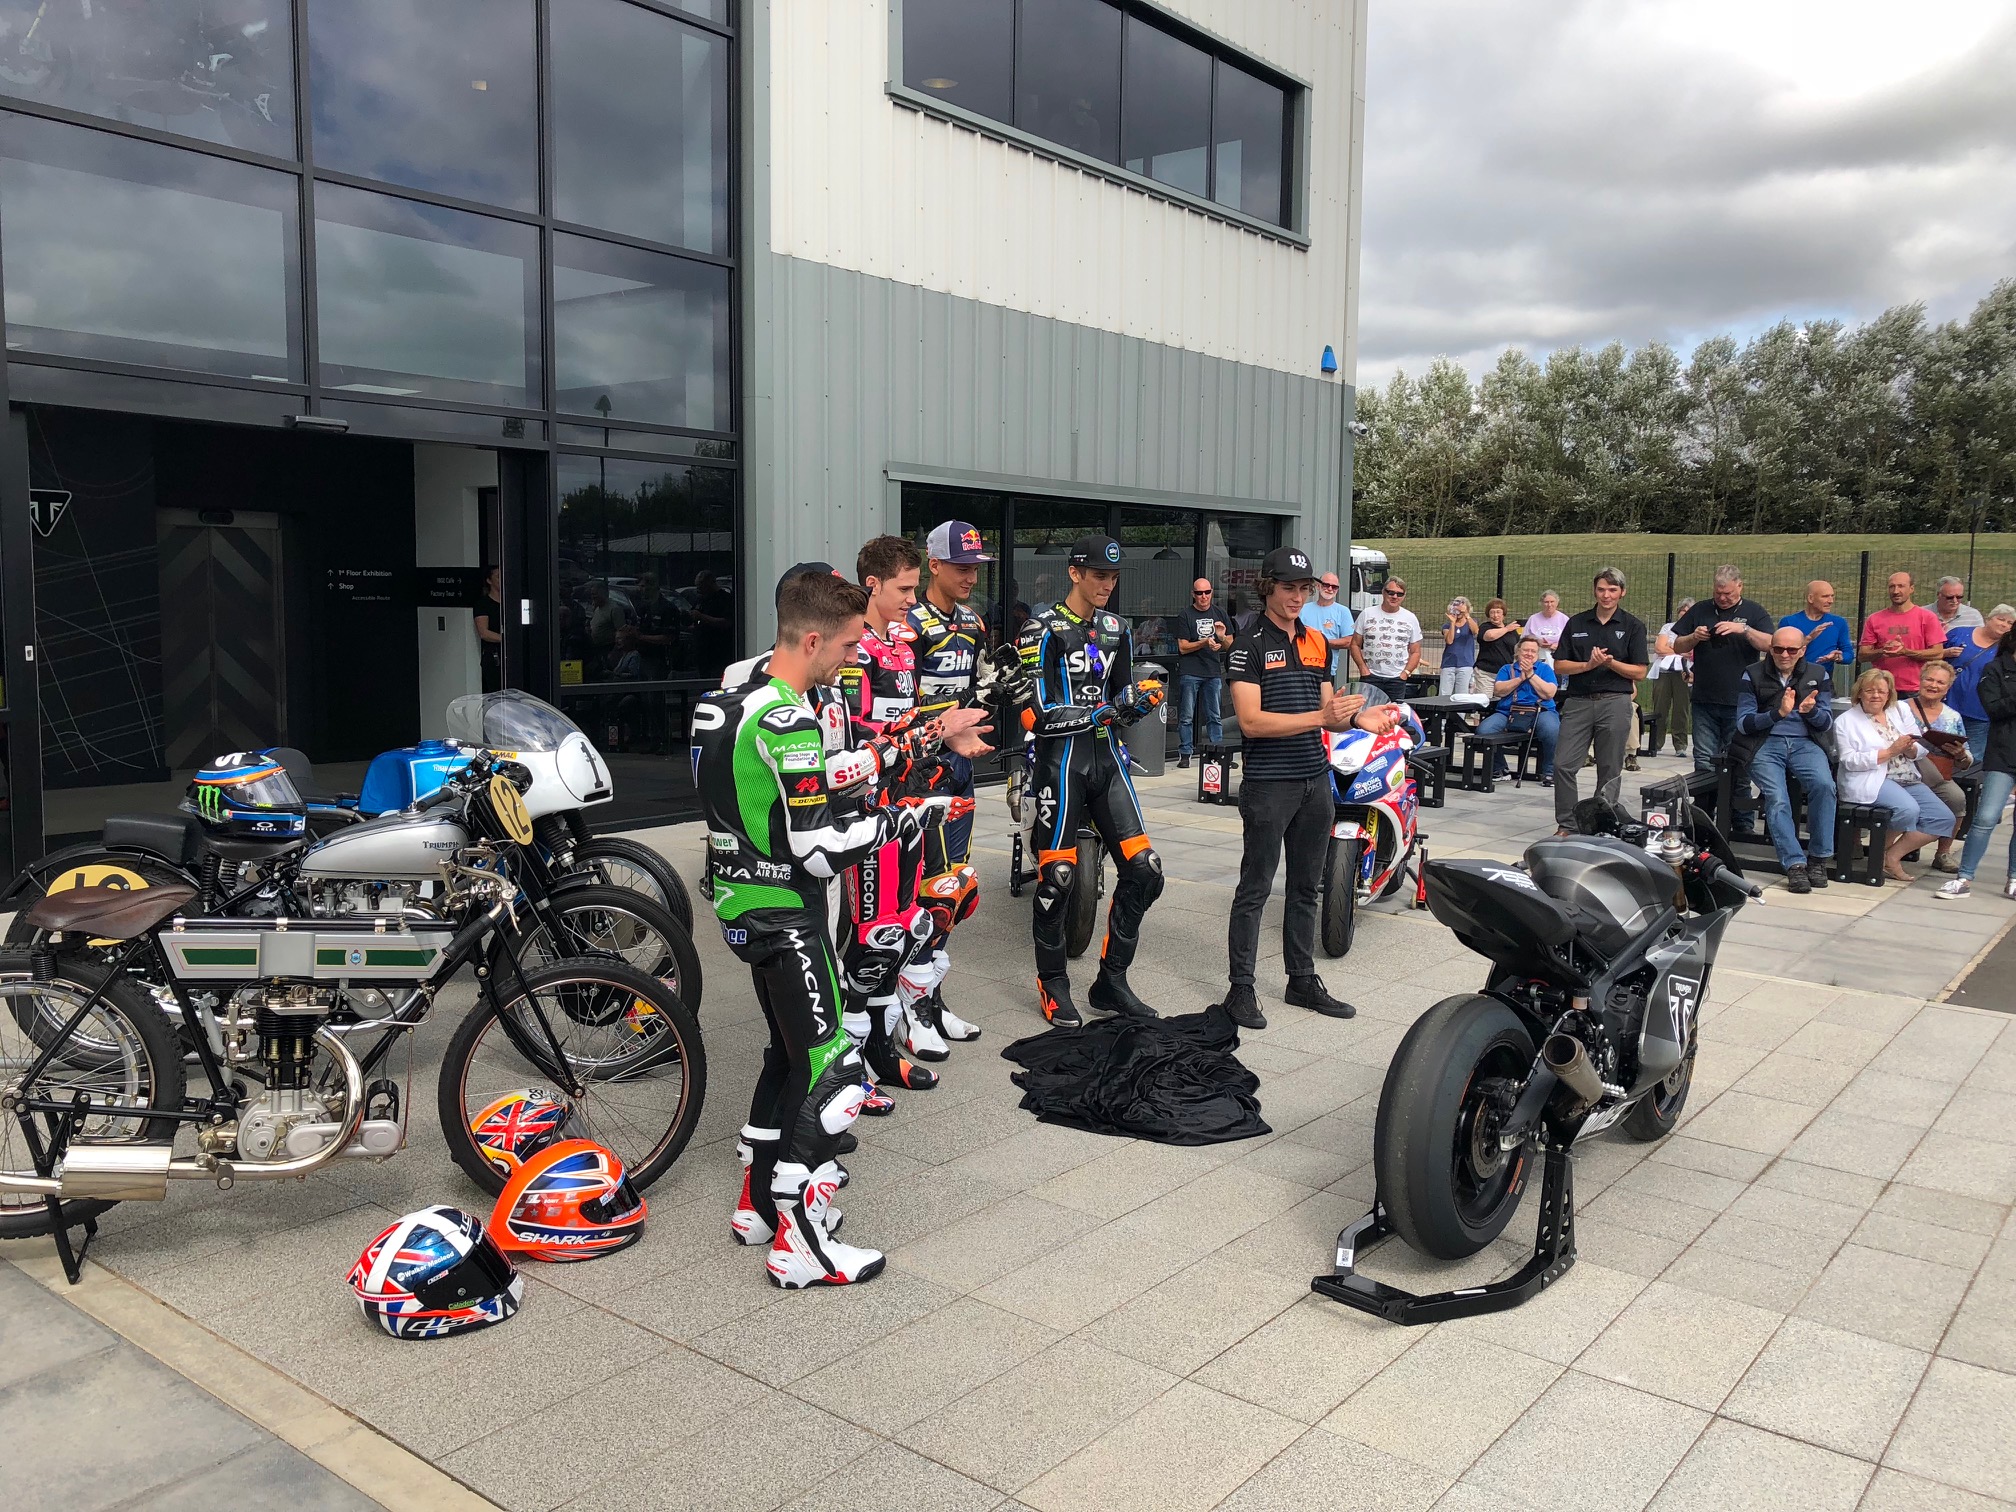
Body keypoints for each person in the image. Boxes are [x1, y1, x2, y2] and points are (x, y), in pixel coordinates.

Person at [692, 570, 935, 1289]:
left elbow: (780, 793)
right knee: (835, 1069)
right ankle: (803, 1240)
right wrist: (900, 822)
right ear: (810, 640)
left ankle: (757, 1206)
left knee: (789, 1054)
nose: (856, 658)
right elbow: (819, 848)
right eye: (849, 644)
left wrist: (892, 756)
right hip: (784, 910)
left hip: (738, 902)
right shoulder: (789, 719)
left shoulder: (724, 701)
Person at [1218, 546, 1388, 1030]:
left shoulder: (1316, 640)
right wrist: (1321, 717)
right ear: (1267, 587)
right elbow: (1251, 723)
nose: (1297, 596)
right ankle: (1240, 988)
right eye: (1288, 587)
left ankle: (1301, 979)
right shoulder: (1246, 644)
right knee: (1255, 888)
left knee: (1306, 888)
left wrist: (1359, 718)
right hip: (1269, 783)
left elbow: (1329, 711)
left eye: (1304, 589)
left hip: (1316, 779)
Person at [837, 536, 986, 1078]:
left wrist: (946, 737)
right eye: (903, 588)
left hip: (909, 793)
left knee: (911, 918)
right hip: (866, 804)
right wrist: (938, 731)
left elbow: (906, 721)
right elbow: (856, 737)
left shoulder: (901, 639)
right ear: (872, 584)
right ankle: (853, 1057)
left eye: (913, 586)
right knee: (870, 932)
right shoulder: (854, 648)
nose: (911, 598)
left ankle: (887, 1037)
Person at [1014, 535, 1168, 1028]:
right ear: (1075, 573)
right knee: (1057, 878)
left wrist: (1140, 701)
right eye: (1099, 575)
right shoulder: (1040, 628)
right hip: (1060, 763)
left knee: (1146, 870)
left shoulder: (1117, 628)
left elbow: (1122, 697)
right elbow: (1036, 714)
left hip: (1109, 761)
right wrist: (1103, 711)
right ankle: (1053, 983)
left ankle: (1111, 981)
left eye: (1113, 577)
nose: (1107, 584)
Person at [909, 518, 998, 1043]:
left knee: (955, 885)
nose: (970, 576)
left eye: (975, 567)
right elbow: (899, 708)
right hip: (920, 769)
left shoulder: (974, 622)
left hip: (961, 765)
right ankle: (912, 1006)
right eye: (961, 566)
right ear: (934, 565)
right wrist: (944, 729)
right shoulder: (909, 625)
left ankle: (933, 998)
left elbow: (973, 693)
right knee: (927, 887)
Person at [1659, 567, 1774, 831]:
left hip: (1741, 701)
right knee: (1704, 763)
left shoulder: (1754, 612)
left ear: (1740, 587)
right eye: (1718, 593)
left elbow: (1769, 643)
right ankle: (1702, 820)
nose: (1722, 598)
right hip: (1705, 698)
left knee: (1739, 763)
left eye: (1728, 594)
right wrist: (1694, 637)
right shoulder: (1701, 609)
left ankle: (1741, 823)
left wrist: (1743, 629)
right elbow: (1677, 645)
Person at [1737, 629, 1837, 893]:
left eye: (1792, 650)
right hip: (1765, 742)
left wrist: (1811, 712)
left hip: (1805, 743)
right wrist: (1777, 714)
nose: (1784, 655)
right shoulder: (1752, 673)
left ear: (1802, 650)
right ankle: (1794, 864)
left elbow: (1826, 722)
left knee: (1824, 786)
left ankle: (1818, 858)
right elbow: (1744, 723)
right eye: (1778, 649)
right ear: (1770, 649)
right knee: (1777, 796)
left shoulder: (1818, 674)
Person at [1552, 568, 1649, 832]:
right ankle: (1567, 823)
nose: (1606, 595)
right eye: (1601, 589)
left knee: (1609, 769)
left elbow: (1640, 672)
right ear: (1594, 591)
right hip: (1579, 701)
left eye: (1612, 590)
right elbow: (1559, 665)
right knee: (1563, 764)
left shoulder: (1633, 626)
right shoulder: (1577, 623)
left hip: (1615, 701)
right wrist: (1588, 665)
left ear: (1622, 592)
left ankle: (1600, 823)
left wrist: (1610, 663)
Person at [1836, 669, 1955, 884]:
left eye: (1881, 691)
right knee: (1908, 810)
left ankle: (1889, 856)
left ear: (1889, 693)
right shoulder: (1846, 721)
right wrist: (1890, 751)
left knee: (1943, 818)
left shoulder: (1899, 710)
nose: (1876, 696)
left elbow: (1921, 747)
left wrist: (1910, 749)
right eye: (1869, 691)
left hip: (1907, 776)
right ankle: (1881, 858)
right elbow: (1849, 761)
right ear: (1859, 693)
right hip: (1874, 779)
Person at [1938, 618, 2016, 901]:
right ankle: (1964, 877)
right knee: (1986, 817)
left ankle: (2014, 878)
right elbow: (1994, 709)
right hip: (2004, 752)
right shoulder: (1995, 668)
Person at [1898, 659, 1973, 873]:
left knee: (1957, 798)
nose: (1933, 685)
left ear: (1948, 688)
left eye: (1940, 682)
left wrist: (1960, 755)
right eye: (1929, 679)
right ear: (1920, 680)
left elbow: (1967, 761)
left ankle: (1942, 854)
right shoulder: (1900, 708)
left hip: (1937, 774)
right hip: (1902, 769)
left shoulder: (1953, 716)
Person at [1476, 636, 1558, 782]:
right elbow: (1498, 690)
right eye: (1526, 650)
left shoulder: (1545, 669)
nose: (1529, 654)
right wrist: (1520, 678)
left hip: (1540, 711)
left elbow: (1549, 693)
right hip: (1508, 712)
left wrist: (1531, 675)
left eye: (1533, 651)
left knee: (1552, 730)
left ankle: (1550, 771)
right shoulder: (1507, 669)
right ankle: (1500, 768)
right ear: (1518, 652)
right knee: (1484, 730)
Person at [1858, 572, 1948, 696]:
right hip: (1883, 688)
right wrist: (1883, 650)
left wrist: (1906, 652)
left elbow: (1938, 653)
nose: (1896, 591)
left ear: (1911, 589)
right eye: (1892, 586)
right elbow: (1862, 655)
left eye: (1901, 586)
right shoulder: (1874, 619)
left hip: (1916, 689)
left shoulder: (1927, 617)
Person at [1946, 605, 2016, 764]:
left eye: (2010, 623)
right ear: (1988, 618)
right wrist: (1945, 653)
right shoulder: (1959, 633)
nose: (2004, 625)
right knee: (1942, 754)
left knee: (1974, 759)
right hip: (1949, 707)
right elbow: (1935, 658)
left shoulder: (2006, 652)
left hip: (1979, 714)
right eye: (2001, 619)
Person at [1177, 577, 1233, 768]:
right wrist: (1204, 642)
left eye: (1207, 592)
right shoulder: (1185, 615)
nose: (1203, 596)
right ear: (1193, 594)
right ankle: (1185, 754)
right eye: (1199, 593)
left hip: (1212, 670)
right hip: (1190, 670)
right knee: (1186, 716)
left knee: (1214, 716)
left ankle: (1218, 754)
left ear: (1212, 593)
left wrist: (1221, 639)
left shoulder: (1219, 613)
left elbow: (1230, 644)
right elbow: (1183, 647)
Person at [1780, 581, 1853, 695]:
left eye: (1832, 596)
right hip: (1793, 681)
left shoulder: (1838, 623)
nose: (1830, 601)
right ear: (1810, 598)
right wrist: (1808, 638)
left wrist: (1838, 657)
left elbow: (1849, 655)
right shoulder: (1789, 622)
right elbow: (1781, 652)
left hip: (1823, 681)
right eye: (1825, 596)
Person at [1355, 577, 1422, 701]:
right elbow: (1355, 644)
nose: (1395, 597)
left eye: (1399, 594)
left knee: (1393, 712)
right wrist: (1362, 668)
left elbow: (1416, 651)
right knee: (1367, 711)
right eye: (1391, 592)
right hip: (1370, 676)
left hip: (1396, 679)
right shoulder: (1367, 613)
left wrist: (1405, 673)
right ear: (1383, 592)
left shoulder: (1410, 618)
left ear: (1404, 596)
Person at [1647, 596, 1694, 755]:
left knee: (1681, 709)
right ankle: (1656, 742)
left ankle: (1680, 745)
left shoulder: (1695, 631)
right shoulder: (1668, 628)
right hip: (1663, 672)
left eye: (1688, 611)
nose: (1684, 613)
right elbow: (1660, 648)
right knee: (1660, 707)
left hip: (1684, 672)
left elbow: (1692, 653)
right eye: (1682, 610)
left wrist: (1671, 647)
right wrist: (1680, 650)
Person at [1300, 571, 1357, 687]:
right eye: (1326, 585)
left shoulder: (1343, 611)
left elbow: (1349, 641)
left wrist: (1320, 641)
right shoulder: (1302, 609)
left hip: (1327, 671)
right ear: (1318, 586)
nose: (1330, 589)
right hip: (1302, 668)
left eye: (1334, 587)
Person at [1473, 599, 1522, 695]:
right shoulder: (1485, 627)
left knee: (1503, 700)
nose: (1495, 615)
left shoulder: (1512, 631)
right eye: (1492, 612)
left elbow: (1517, 647)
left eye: (1498, 612)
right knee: (1485, 701)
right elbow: (1490, 636)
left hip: (1505, 673)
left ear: (1503, 614)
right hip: (1486, 673)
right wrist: (1506, 629)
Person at [1439, 597, 1479, 696]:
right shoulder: (1447, 626)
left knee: (1462, 695)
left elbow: (1475, 631)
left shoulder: (1471, 622)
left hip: (1465, 664)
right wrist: (1453, 623)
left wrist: (1466, 615)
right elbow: (1449, 640)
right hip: (1448, 664)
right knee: (1444, 695)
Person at [474, 565, 503, 692]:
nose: (502, 579)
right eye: (498, 577)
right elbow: (484, 633)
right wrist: (505, 639)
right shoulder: (483, 604)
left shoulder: (511, 603)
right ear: (489, 580)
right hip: (494, 656)